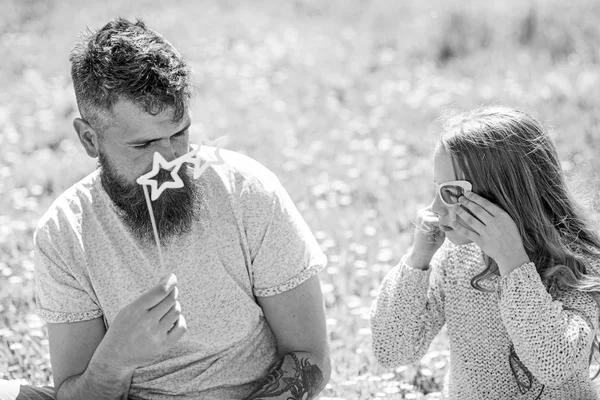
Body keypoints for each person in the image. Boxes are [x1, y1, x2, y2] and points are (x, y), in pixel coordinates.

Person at [8, 17, 330, 400]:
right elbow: (74, 393)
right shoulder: (65, 232)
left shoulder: (247, 191)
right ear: (89, 139)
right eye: (143, 146)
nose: (169, 162)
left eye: (178, 134)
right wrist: (115, 359)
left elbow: (310, 358)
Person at [371, 106, 600, 399]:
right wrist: (417, 261)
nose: (434, 209)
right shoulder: (455, 261)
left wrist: (513, 263)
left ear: (507, 194)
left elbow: (553, 364)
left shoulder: (574, 266)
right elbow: (392, 350)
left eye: (450, 193)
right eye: (436, 190)